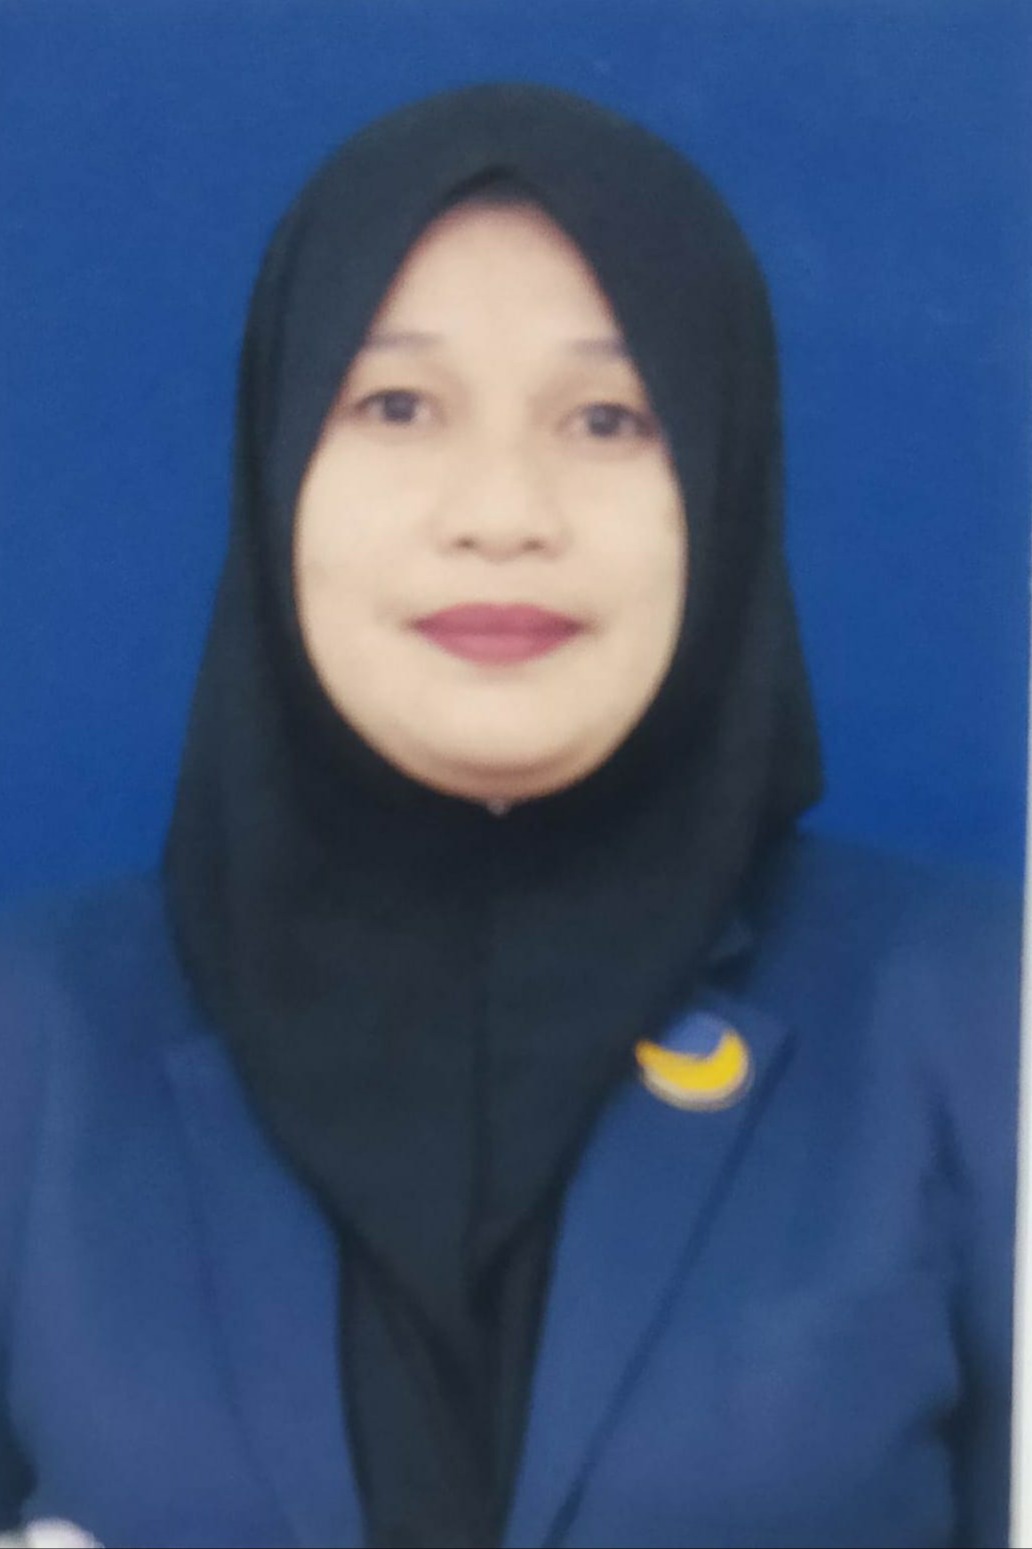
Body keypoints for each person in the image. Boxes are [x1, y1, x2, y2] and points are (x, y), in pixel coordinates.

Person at [0, 82, 1021, 1549]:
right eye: (396, 406)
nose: (501, 510)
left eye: (608, 417)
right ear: (279, 461)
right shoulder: (33, 1038)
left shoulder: (982, 1017)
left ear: (723, 475)